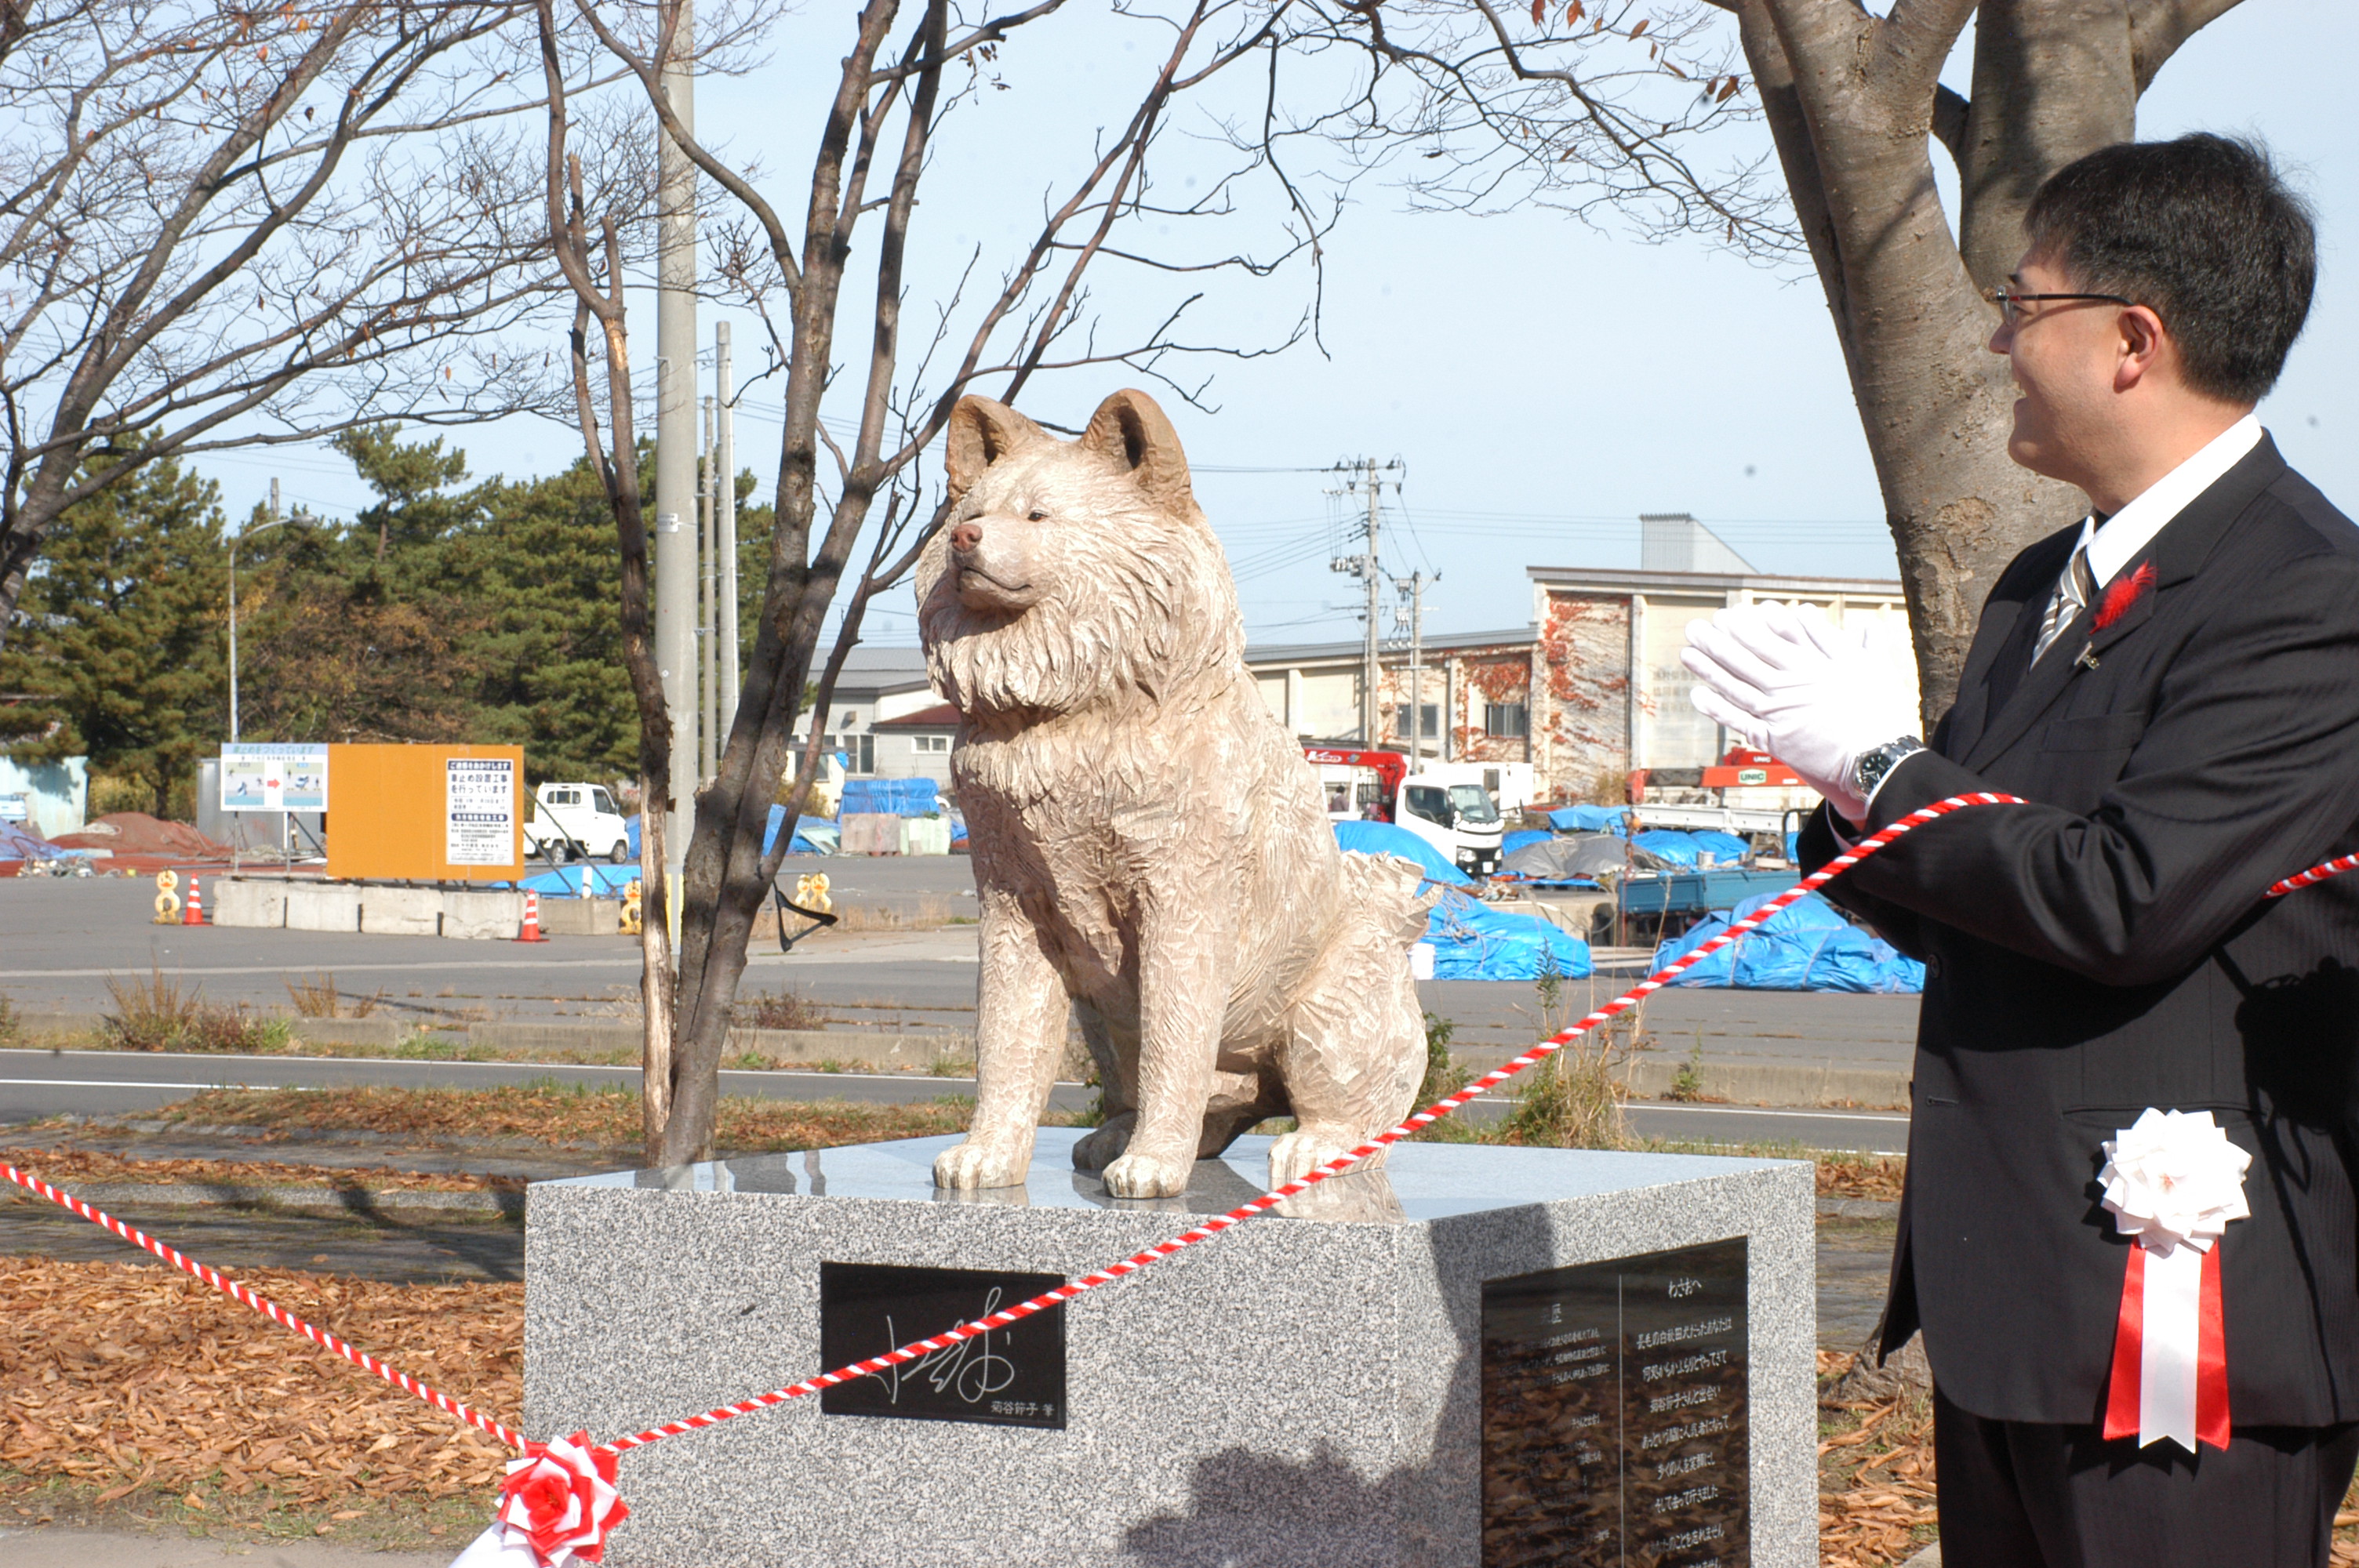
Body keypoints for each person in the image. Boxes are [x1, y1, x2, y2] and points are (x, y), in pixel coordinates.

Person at [1682, 135, 2359, 1568]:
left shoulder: (2310, 596)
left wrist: (1880, 767)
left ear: (2133, 339)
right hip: (2009, 1292)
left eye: (2021, 303)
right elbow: (1972, 887)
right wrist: (1839, 790)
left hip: (2184, 1308)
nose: (1997, 339)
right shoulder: (2042, 582)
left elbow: (2123, 899)